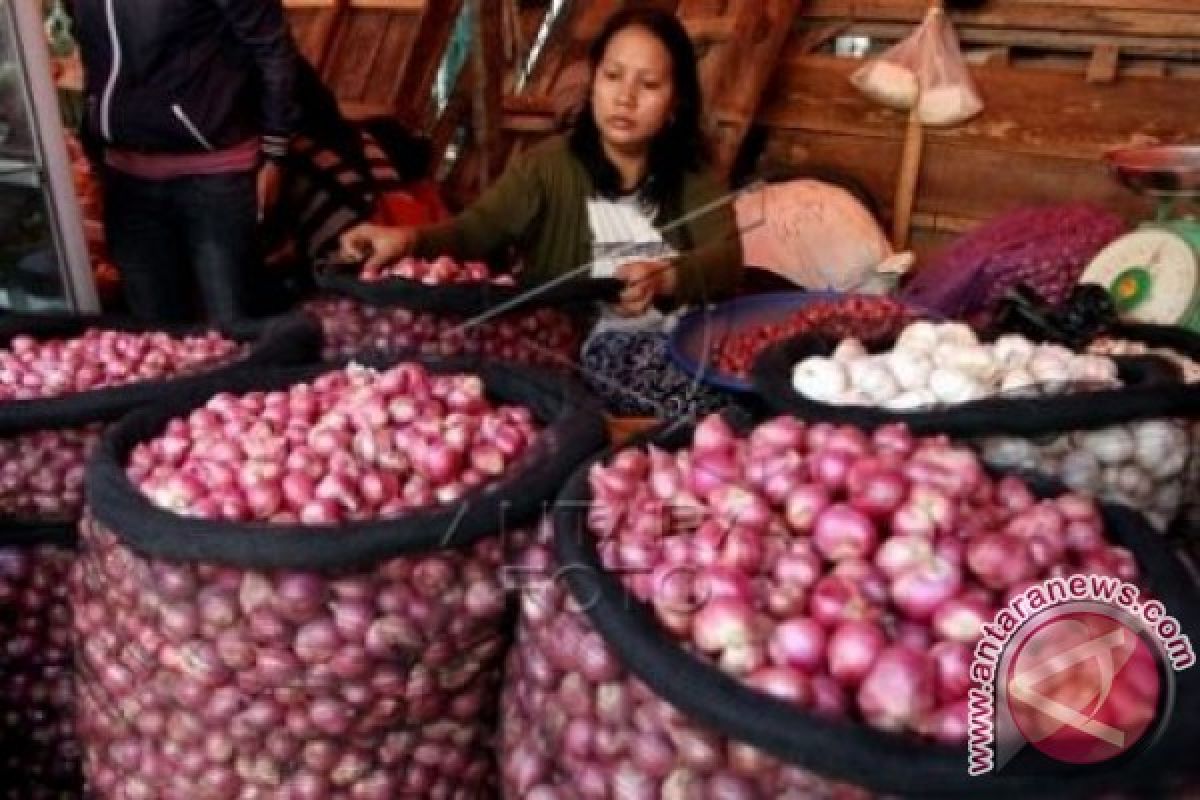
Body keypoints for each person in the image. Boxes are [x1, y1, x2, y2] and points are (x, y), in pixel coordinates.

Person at [339, 6, 742, 322]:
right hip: (558, 347)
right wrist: (409, 239)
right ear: (593, 83)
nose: (625, 97)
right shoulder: (546, 167)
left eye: (649, 85)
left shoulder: (690, 173)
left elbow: (726, 260)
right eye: (612, 76)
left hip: (663, 349)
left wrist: (667, 276)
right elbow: (474, 231)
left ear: (675, 104)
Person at [68, 0, 298, 324]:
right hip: (127, 182)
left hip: (216, 180)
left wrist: (276, 151)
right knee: (155, 340)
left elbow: (274, 50)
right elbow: (94, 60)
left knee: (234, 328)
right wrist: (94, 147)